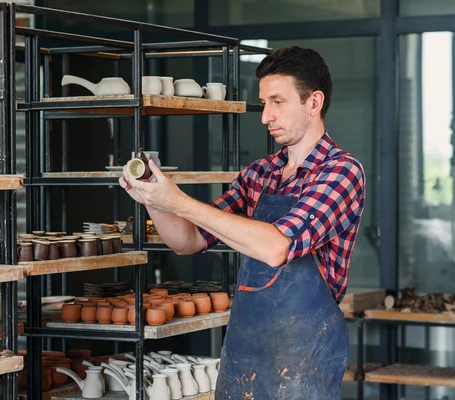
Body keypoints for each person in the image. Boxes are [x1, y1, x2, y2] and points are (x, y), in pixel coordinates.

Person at [120, 46, 366, 399]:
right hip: (243, 355)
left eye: (277, 102)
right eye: (264, 103)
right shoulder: (258, 174)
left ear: (313, 103)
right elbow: (187, 241)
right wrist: (154, 200)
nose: (266, 116)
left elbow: (277, 247)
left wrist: (180, 201)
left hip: (303, 362)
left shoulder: (342, 172)